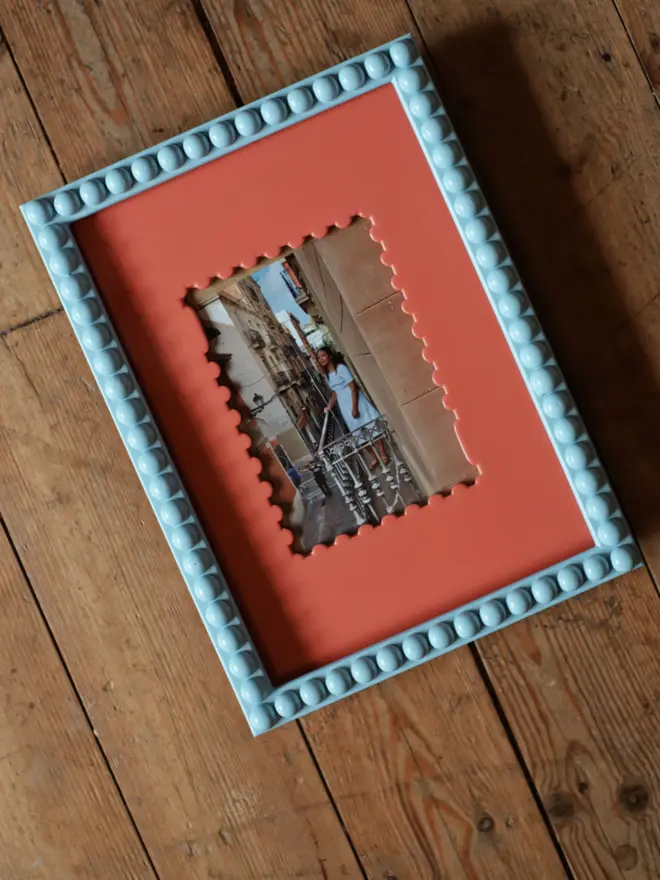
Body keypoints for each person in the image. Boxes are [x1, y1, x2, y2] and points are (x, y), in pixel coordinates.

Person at [316, 347, 389, 469]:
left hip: (356, 402)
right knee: (358, 434)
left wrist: (355, 407)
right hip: (345, 407)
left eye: (323, 355)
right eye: (319, 358)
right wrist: (329, 407)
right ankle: (374, 457)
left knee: (372, 427)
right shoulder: (327, 375)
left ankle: (382, 453)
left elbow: (353, 387)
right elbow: (335, 393)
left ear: (329, 355)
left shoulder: (340, 368)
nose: (321, 359)